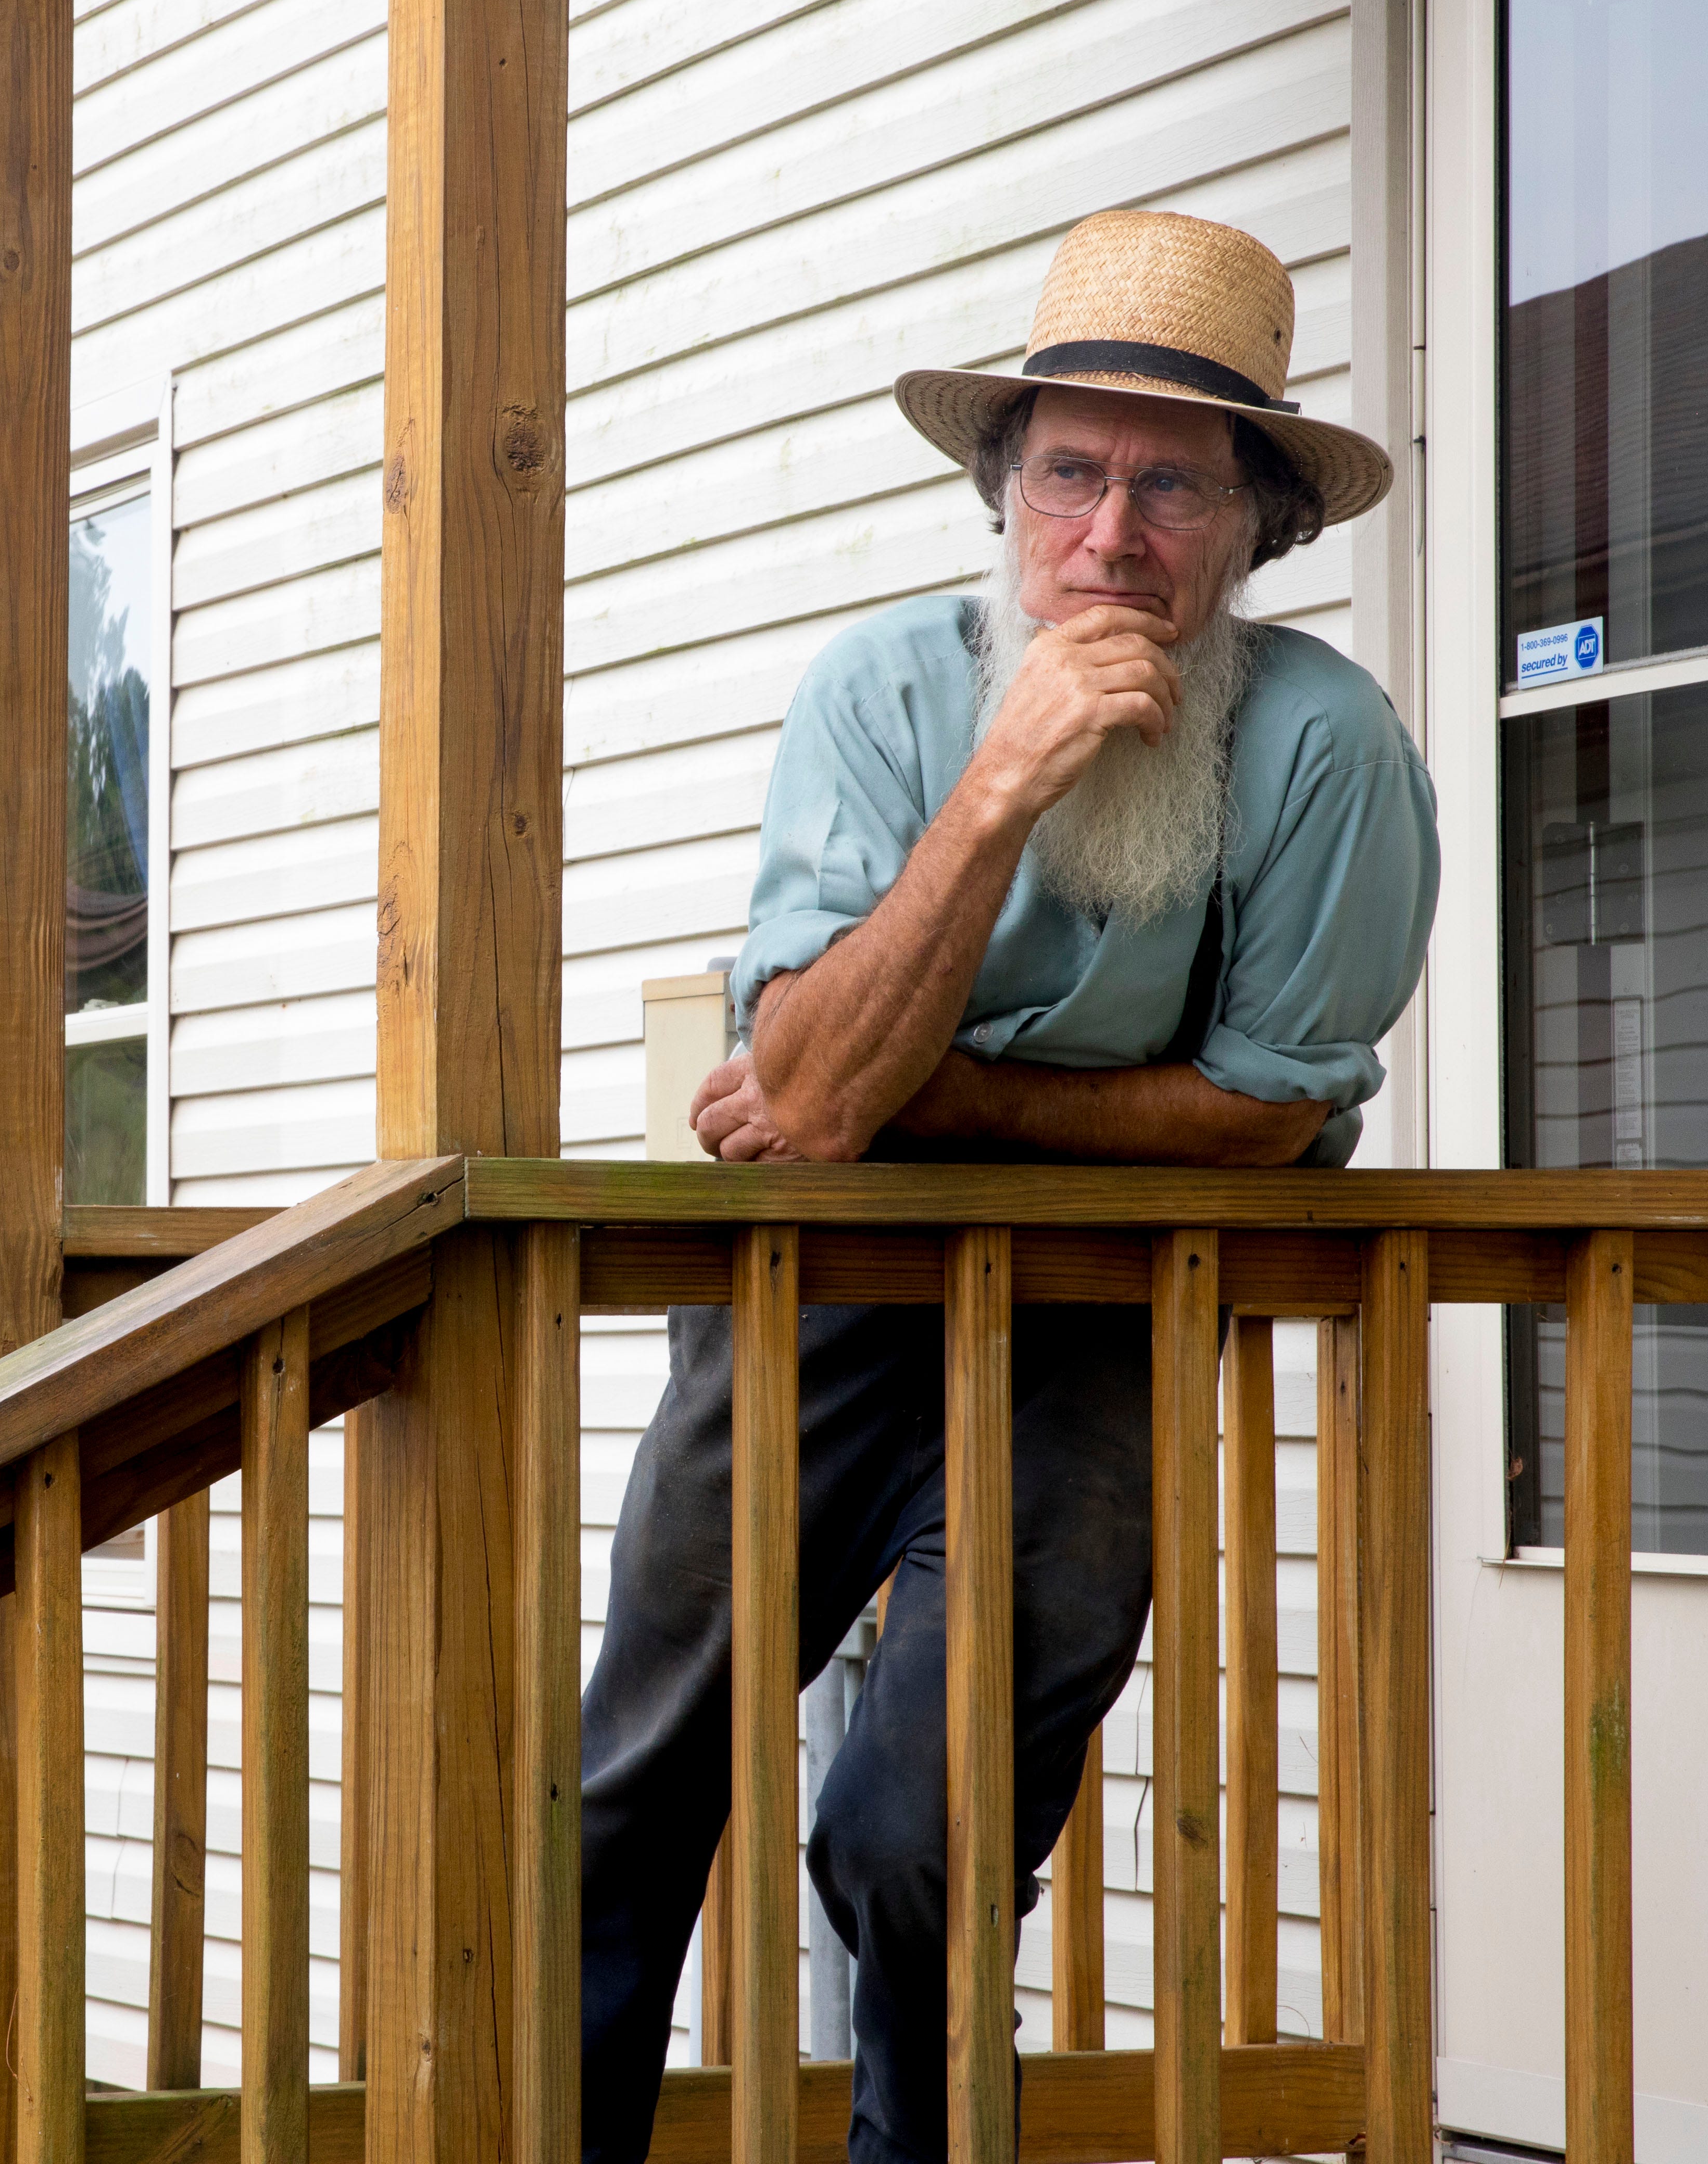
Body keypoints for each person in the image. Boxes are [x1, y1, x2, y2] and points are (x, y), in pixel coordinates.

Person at [575, 209, 1440, 2163]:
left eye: (1170, 488)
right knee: (629, 1790)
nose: (1112, 537)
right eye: (1070, 472)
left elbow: (1261, 1123)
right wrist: (1000, 791)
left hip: (1098, 1329)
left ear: (1254, 532)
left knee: (924, 1824)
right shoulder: (885, 698)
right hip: (815, 1304)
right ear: (1002, 487)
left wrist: (916, 1092)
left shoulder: (1329, 753)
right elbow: (807, 1100)